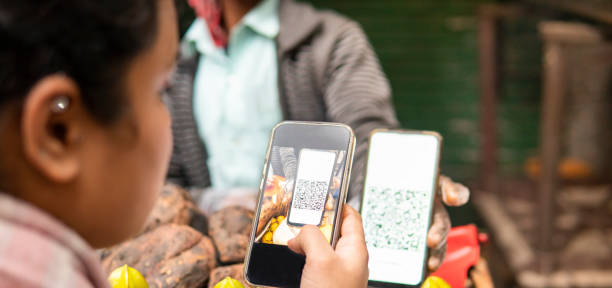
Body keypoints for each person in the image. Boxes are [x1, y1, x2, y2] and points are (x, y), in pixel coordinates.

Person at [0, 0, 386, 288]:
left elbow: (370, 147)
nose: (166, 115)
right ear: (56, 131)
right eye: (158, 90)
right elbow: (179, 184)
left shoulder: (330, 41)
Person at [167, 0, 470, 271]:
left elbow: (369, 141)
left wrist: (395, 189)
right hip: (208, 271)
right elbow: (168, 183)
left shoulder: (333, 40)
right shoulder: (176, 61)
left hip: (314, 265)